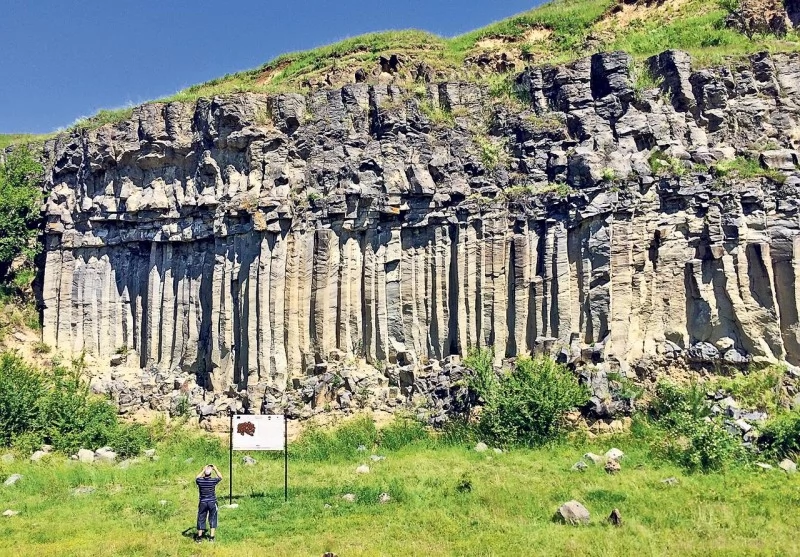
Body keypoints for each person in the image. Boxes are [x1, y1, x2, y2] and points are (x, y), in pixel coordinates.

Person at [195, 464, 223, 543]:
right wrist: (216, 469)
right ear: (211, 473)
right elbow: (221, 477)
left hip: (203, 502)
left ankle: (199, 538)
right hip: (212, 502)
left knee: (201, 518)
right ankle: (211, 537)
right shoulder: (213, 481)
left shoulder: (200, 481)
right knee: (213, 518)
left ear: (204, 473)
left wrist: (203, 470)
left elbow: (197, 477)